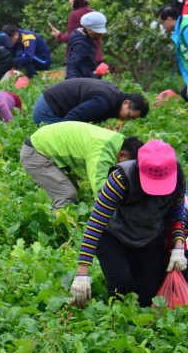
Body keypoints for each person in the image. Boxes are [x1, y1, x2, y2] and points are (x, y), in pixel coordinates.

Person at [70, 140, 186, 308]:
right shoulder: (120, 178)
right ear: (140, 169)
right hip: (114, 236)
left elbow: (176, 217)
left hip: (150, 238)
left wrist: (178, 247)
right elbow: (96, 223)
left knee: (147, 299)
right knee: (120, 288)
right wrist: (82, 272)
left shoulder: (178, 180)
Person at [20, 121, 143, 209]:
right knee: (66, 195)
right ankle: (57, 235)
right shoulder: (101, 152)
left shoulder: (118, 142)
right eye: (128, 167)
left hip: (48, 149)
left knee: (75, 195)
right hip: (36, 153)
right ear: (122, 155)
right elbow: (102, 192)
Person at [32, 78, 149, 125]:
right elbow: (73, 117)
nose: (126, 120)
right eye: (129, 116)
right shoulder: (104, 103)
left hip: (50, 103)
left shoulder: (115, 94)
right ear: (126, 103)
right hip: (48, 110)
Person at [49, 0, 103, 64]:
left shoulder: (74, 16)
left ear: (78, 0)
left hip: (82, 58)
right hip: (97, 56)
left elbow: (72, 38)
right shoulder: (93, 12)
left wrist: (59, 35)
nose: (69, 1)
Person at [156, 5, 188, 102]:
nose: (162, 26)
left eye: (162, 23)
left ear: (169, 19)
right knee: (184, 93)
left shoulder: (185, 29)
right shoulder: (182, 26)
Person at [66, 11, 107, 79]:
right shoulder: (80, 45)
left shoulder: (84, 38)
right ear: (89, 30)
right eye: (98, 32)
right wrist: (73, 86)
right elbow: (72, 67)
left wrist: (96, 74)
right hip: (81, 83)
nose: (101, 34)